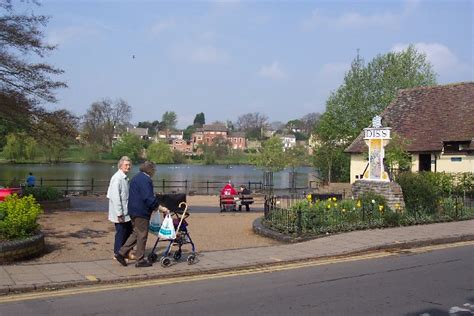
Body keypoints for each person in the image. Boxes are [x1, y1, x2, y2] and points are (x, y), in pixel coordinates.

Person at [116, 161, 164, 268]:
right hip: (141, 211)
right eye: (154, 170)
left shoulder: (136, 177)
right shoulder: (145, 180)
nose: (154, 172)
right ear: (150, 170)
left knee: (136, 233)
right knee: (142, 235)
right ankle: (140, 260)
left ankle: (121, 253)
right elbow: (147, 197)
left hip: (133, 210)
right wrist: (159, 207)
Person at [107, 156, 133, 260]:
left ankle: (124, 252)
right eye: (126, 165)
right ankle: (117, 253)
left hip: (125, 211)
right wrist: (119, 213)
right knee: (121, 232)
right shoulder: (117, 178)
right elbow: (115, 197)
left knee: (127, 231)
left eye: (129, 165)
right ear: (120, 166)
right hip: (120, 212)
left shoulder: (124, 177)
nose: (128, 167)